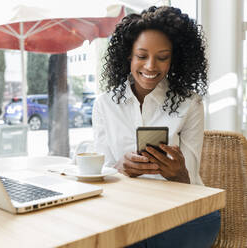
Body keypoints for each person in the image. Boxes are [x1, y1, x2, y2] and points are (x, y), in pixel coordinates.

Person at [92, 6, 220, 248]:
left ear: (174, 59)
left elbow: (191, 179)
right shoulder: (105, 104)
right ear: (128, 56)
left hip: (181, 210)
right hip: (124, 209)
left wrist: (178, 173)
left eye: (162, 57)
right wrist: (120, 168)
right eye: (142, 56)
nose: (151, 66)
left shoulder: (190, 103)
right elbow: (102, 173)